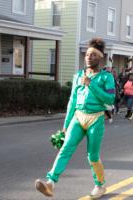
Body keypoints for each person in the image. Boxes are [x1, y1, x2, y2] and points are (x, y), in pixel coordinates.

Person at [35, 38, 115, 199]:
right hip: (78, 117)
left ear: (100, 57)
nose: (88, 57)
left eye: (93, 55)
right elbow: (72, 101)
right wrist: (66, 124)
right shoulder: (78, 75)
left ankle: (100, 185)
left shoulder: (106, 77)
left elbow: (110, 99)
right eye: (87, 54)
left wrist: (90, 84)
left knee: (92, 155)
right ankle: (50, 183)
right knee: (65, 148)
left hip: (96, 119)